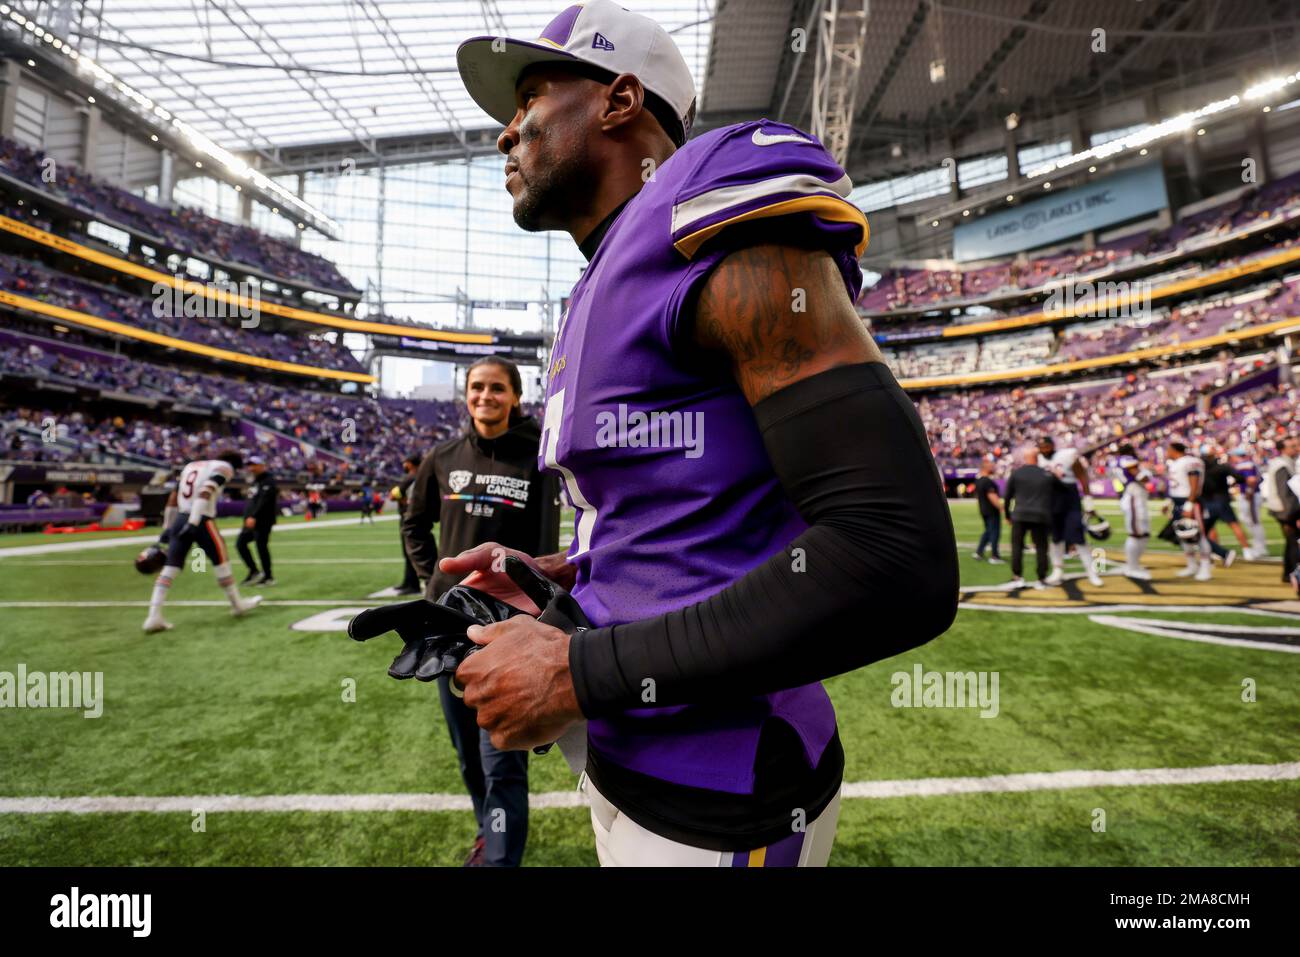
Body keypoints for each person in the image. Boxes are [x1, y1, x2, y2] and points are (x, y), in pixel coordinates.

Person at [433, 0, 958, 867]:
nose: (506, 133)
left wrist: (571, 671)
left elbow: (895, 555)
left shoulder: (706, 202)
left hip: (719, 784)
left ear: (620, 99)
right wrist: (567, 572)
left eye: (530, 96)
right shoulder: (603, 280)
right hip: (629, 749)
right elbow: (690, 505)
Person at [401, 357, 561, 867]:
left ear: (514, 396)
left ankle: (498, 859)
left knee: (503, 757)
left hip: (506, 630)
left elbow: (539, 552)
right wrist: (435, 579)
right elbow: (414, 522)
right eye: (476, 387)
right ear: (465, 394)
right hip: (446, 630)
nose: (485, 396)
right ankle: (486, 830)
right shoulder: (442, 456)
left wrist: (534, 618)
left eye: (497, 388)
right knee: (468, 754)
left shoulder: (535, 459)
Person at [142, 450, 262, 633]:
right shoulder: (224, 467)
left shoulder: (191, 466)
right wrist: (194, 521)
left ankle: (153, 616)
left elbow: (173, 498)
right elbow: (206, 491)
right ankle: (238, 604)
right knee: (221, 562)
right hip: (201, 519)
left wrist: (167, 527)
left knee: (170, 568)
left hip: (180, 517)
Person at [1038, 436, 1103, 587]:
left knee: (1078, 537)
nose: (1044, 450)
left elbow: (1082, 476)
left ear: (1052, 445)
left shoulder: (1066, 455)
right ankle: (1058, 570)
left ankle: (1092, 572)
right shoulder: (1039, 459)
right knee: (1056, 538)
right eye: (1041, 447)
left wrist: (1088, 500)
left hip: (1069, 499)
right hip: (1051, 501)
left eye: (1046, 446)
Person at [1003, 447, 1056, 589]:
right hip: (1041, 515)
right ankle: (1041, 578)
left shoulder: (1017, 473)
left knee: (1017, 547)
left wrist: (1008, 515)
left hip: (1020, 515)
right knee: (1041, 548)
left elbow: (1007, 496)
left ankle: (1017, 577)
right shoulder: (1046, 474)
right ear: (1037, 457)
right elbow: (1054, 497)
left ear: (1025, 458)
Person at [1164, 441, 1211, 581]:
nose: (1167, 452)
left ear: (1174, 450)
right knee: (1183, 535)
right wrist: (1170, 501)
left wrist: (1190, 504)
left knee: (1199, 535)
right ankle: (1192, 566)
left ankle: (1205, 568)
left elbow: (1194, 482)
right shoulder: (1176, 463)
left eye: (1168, 450)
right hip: (1179, 501)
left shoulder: (1190, 461)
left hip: (1190, 502)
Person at [236, 455, 278, 586]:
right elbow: (252, 501)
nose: (251, 468)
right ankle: (254, 571)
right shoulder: (255, 481)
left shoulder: (269, 481)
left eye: (254, 465)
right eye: (250, 465)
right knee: (240, 544)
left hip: (263, 520)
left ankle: (268, 576)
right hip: (250, 520)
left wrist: (254, 516)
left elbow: (264, 501)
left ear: (262, 465)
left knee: (261, 547)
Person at [1263, 435, 1300, 587]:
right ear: (1283, 449)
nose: (1296, 448)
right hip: (1285, 510)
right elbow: (1284, 493)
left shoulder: (1284, 462)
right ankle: (1292, 574)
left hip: (1284, 509)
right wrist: (1293, 514)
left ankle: (1287, 573)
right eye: (1292, 446)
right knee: (1293, 542)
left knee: (1290, 541)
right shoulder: (1282, 465)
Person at [1198, 443, 1242, 567]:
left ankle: (1217, 553)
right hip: (1222, 499)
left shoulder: (1201, 468)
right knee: (1233, 525)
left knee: (1207, 529)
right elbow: (1240, 478)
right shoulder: (1222, 467)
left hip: (1207, 501)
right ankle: (1246, 550)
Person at [1116, 449, 1152, 580]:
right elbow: (1142, 477)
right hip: (1133, 498)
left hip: (1138, 498)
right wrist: (1146, 470)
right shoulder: (1126, 459)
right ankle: (1131, 567)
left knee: (1144, 534)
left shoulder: (1123, 460)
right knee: (1136, 534)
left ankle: (1134, 565)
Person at [1229, 446, 1269, 560]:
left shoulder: (1244, 464)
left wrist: (1249, 491)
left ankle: (1260, 548)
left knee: (1253, 521)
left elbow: (1251, 479)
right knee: (1250, 520)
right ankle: (1260, 547)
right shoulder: (1250, 464)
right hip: (1252, 495)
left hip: (1250, 496)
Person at [391, 454, 423, 595]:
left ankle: (412, 584)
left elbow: (394, 494)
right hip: (417, 516)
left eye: (405, 463)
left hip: (407, 517)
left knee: (409, 551)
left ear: (410, 464)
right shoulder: (422, 475)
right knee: (411, 551)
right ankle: (408, 581)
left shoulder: (411, 477)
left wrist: (401, 499)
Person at [972, 456, 1004, 564]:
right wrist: (1002, 508)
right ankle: (994, 556)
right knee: (994, 532)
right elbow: (992, 497)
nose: (993, 467)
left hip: (983, 510)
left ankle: (979, 552)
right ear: (986, 468)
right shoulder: (987, 482)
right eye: (992, 466)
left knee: (988, 532)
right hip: (991, 510)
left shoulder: (978, 481)